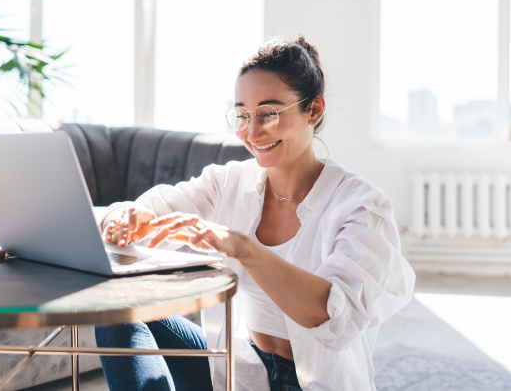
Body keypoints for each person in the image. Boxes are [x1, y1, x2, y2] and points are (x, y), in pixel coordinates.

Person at [96, 36, 416, 391]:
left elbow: (327, 314)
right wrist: (122, 217)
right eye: (243, 115)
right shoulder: (229, 181)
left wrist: (243, 248)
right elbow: (145, 210)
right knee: (116, 313)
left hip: (310, 382)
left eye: (268, 114)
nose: (252, 132)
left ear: (314, 110)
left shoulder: (361, 205)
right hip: (240, 367)